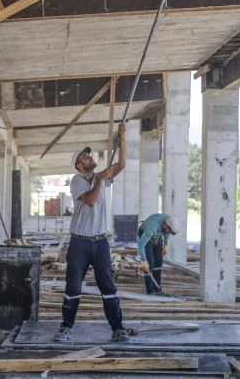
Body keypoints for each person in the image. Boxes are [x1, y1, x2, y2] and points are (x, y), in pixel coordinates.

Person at [54, 123, 127, 343]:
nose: (90, 157)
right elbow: (92, 200)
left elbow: (122, 164)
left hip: (100, 241)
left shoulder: (100, 177)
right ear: (79, 165)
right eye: (85, 157)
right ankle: (66, 327)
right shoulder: (77, 181)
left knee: (108, 286)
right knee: (73, 286)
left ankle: (118, 328)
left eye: (89, 155)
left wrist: (122, 137)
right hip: (80, 243)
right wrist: (101, 179)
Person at [137, 213, 179, 295]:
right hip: (145, 235)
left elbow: (166, 233)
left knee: (158, 261)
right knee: (150, 263)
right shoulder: (152, 227)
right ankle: (150, 290)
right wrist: (144, 261)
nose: (168, 233)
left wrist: (165, 244)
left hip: (157, 236)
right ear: (165, 225)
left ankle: (157, 288)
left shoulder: (169, 222)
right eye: (169, 231)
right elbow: (141, 244)